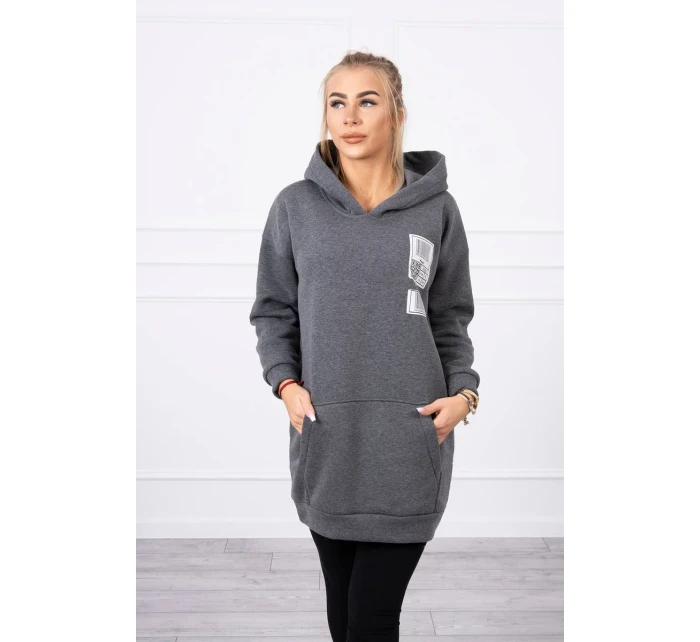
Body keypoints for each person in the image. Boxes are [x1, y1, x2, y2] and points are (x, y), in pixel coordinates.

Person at [249, 51, 480, 641]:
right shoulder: (295, 207)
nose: (350, 117)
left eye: (367, 101)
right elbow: (274, 310)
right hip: (327, 438)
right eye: (337, 103)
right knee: (343, 614)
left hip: (410, 439)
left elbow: (450, 318)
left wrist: (465, 395)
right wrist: (285, 383)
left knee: (372, 617)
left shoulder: (437, 210)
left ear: (396, 114)